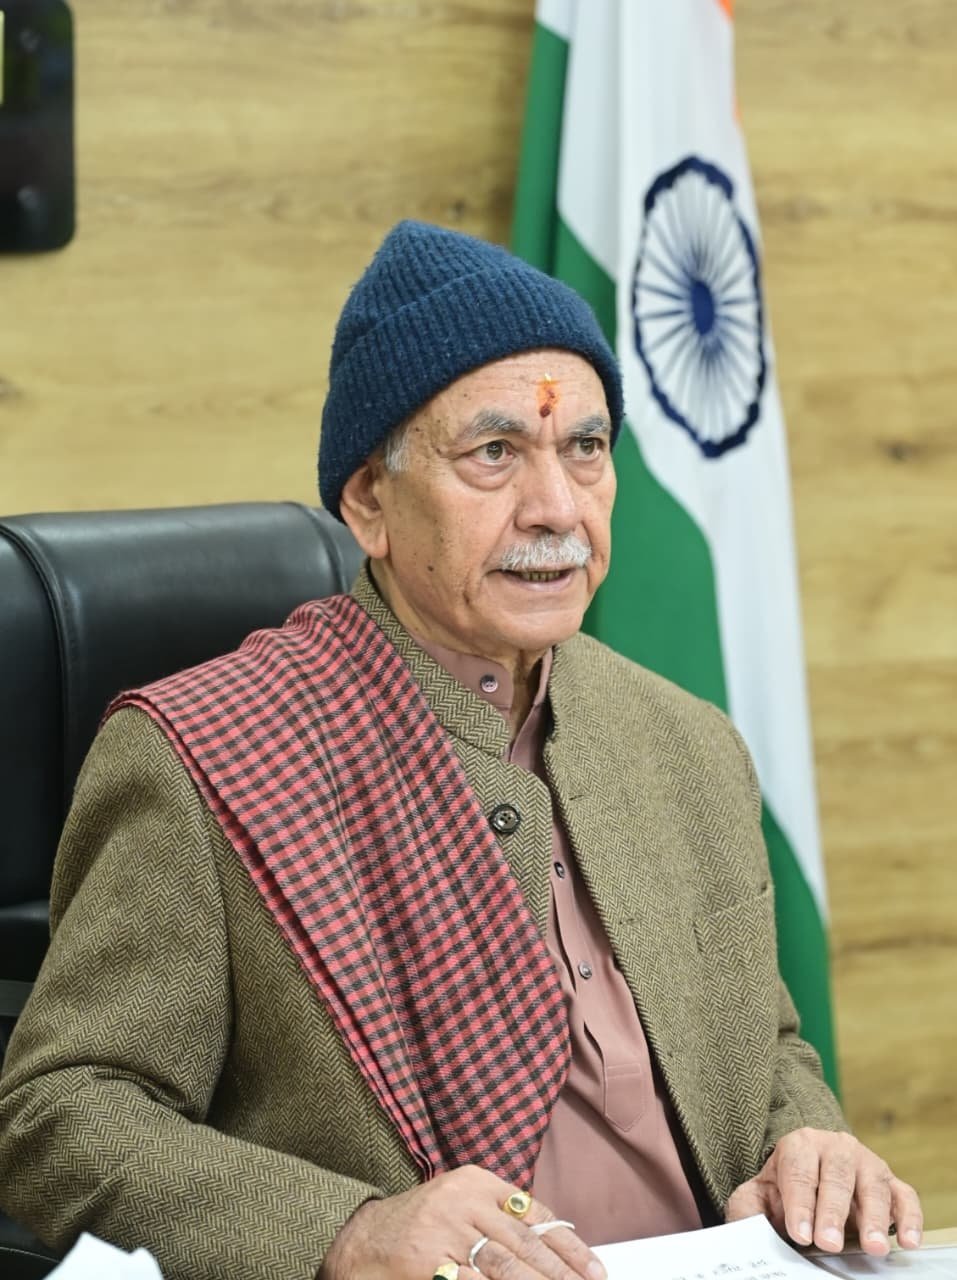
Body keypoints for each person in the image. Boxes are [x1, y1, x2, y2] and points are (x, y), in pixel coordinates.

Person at [0, 221, 922, 1280]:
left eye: (585, 449)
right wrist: (347, 1230)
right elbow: (60, 1114)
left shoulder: (688, 743)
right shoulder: (202, 757)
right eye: (495, 453)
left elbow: (765, 1050)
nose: (557, 509)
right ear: (369, 501)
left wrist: (805, 1144)